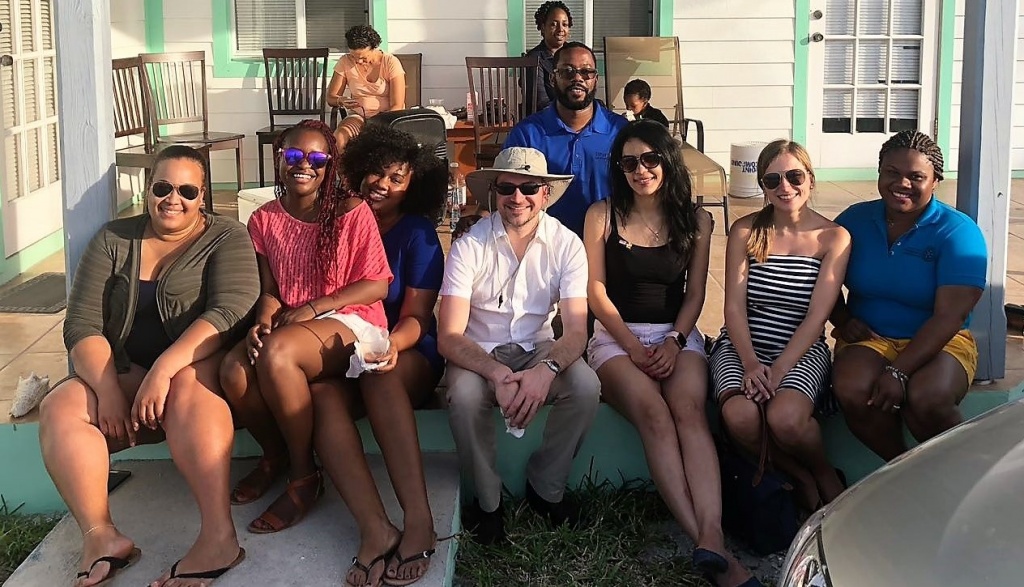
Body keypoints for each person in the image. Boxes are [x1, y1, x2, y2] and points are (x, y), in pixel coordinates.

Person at [39, 145, 258, 587]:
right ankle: (101, 536)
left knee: (188, 385)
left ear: (203, 197)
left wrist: (163, 370)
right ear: (147, 191)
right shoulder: (113, 238)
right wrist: (107, 391)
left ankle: (219, 538)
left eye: (187, 190)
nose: (172, 198)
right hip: (126, 371)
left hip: (198, 368)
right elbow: (81, 323)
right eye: (162, 187)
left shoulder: (226, 236)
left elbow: (230, 310)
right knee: (60, 406)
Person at [582, 120, 760, 587]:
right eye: (629, 162)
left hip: (676, 335)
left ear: (667, 161)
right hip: (615, 337)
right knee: (655, 415)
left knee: (688, 411)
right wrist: (630, 346)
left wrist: (674, 340)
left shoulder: (697, 220)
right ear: (619, 169)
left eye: (650, 159)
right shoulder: (602, 214)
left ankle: (712, 536)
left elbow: (696, 294)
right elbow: (596, 293)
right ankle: (709, 546)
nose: (641, 170)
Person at [219, 120, 393, 537]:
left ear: (330, 165)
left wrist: (316, 306)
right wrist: (262, 320)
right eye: (294, 156)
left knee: (277, 354)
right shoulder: (263, 220)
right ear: (280, 159)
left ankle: (303, 477)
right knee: (235, 370)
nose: (305, 166)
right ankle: (274, 456)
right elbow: (271, 291)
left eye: (317, 158)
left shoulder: (352, 211)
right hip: (293, 325)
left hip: (351, 321)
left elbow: (377, 283)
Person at [304, 125, 448, 587]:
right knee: (321, 396)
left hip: (406, 353)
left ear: (414, 185)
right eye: (374, 172)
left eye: (396, 177)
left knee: (378, 376)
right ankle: (375, 528)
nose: (381, 184)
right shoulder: (340, 222)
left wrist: (389, 348)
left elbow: (418, 318)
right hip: (347, 348)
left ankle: (419, 520)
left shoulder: (418, 235)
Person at [438, 147, 601, 546]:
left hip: (538, 348)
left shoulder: (567, 245)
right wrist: (496, 373)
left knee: (585, 386)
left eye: (529, 187)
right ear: (494, 192)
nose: (518, 197)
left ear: (545, 193)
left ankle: (546, 487)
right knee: (462, 395)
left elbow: (577, 332)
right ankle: (488, 502)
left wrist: (544, 373)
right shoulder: (470, 245)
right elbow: (449, 336)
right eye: (507, 187)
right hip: (480, 351)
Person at [710, 139, 850, 514]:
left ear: (811, 179)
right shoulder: (745, 231)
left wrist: (780, 369)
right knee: (739, 415)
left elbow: (817, 316)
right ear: (762, 186)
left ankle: (822, 472)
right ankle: (794, 475)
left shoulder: (832, 238)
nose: (784, 187)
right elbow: (734, 310)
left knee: (786, 418)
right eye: (773, 180)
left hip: (800, 347)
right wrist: (753, 365)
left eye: (794, 176)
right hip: (744, 345)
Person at [831, 131, 987, 461]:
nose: (901, 183)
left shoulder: (958, 232)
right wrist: (843, 318)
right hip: (872, 338)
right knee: (853, 389)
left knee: (926, 398)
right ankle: (900, 472)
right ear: (879, 172)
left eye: (915, 176)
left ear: (935, 181)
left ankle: (960, 475)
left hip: (943, 340)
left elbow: (950, 316)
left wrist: (897, 372)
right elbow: (818, 281)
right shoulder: (853, 221)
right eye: (891, 172)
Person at [503, 41, 628, 237]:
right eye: (568, 72)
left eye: (586, 72)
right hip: (545, 245)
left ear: (596, 79)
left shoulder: (620, 131)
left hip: (608, 242)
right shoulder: (527, 134)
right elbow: (505, 191)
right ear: (553, 79)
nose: (578, 78)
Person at [327, 25, 407, 120]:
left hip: (387, 118)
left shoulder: (390, 62)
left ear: (374, 48)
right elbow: (331, 98)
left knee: (377, 134)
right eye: (353, 56)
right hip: (357, 116)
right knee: (341, 134)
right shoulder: (345, 62)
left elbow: (397, 106)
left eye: (363, 57)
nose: (358, 61)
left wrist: (381, 124)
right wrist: (341, 100)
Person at [524, 1, 573, 112]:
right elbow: (540, 102)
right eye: (553, 24)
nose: (560, 29)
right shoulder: (533, 59)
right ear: (542, 27)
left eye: (564, 24)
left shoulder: (574, 54)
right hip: (546, 120)